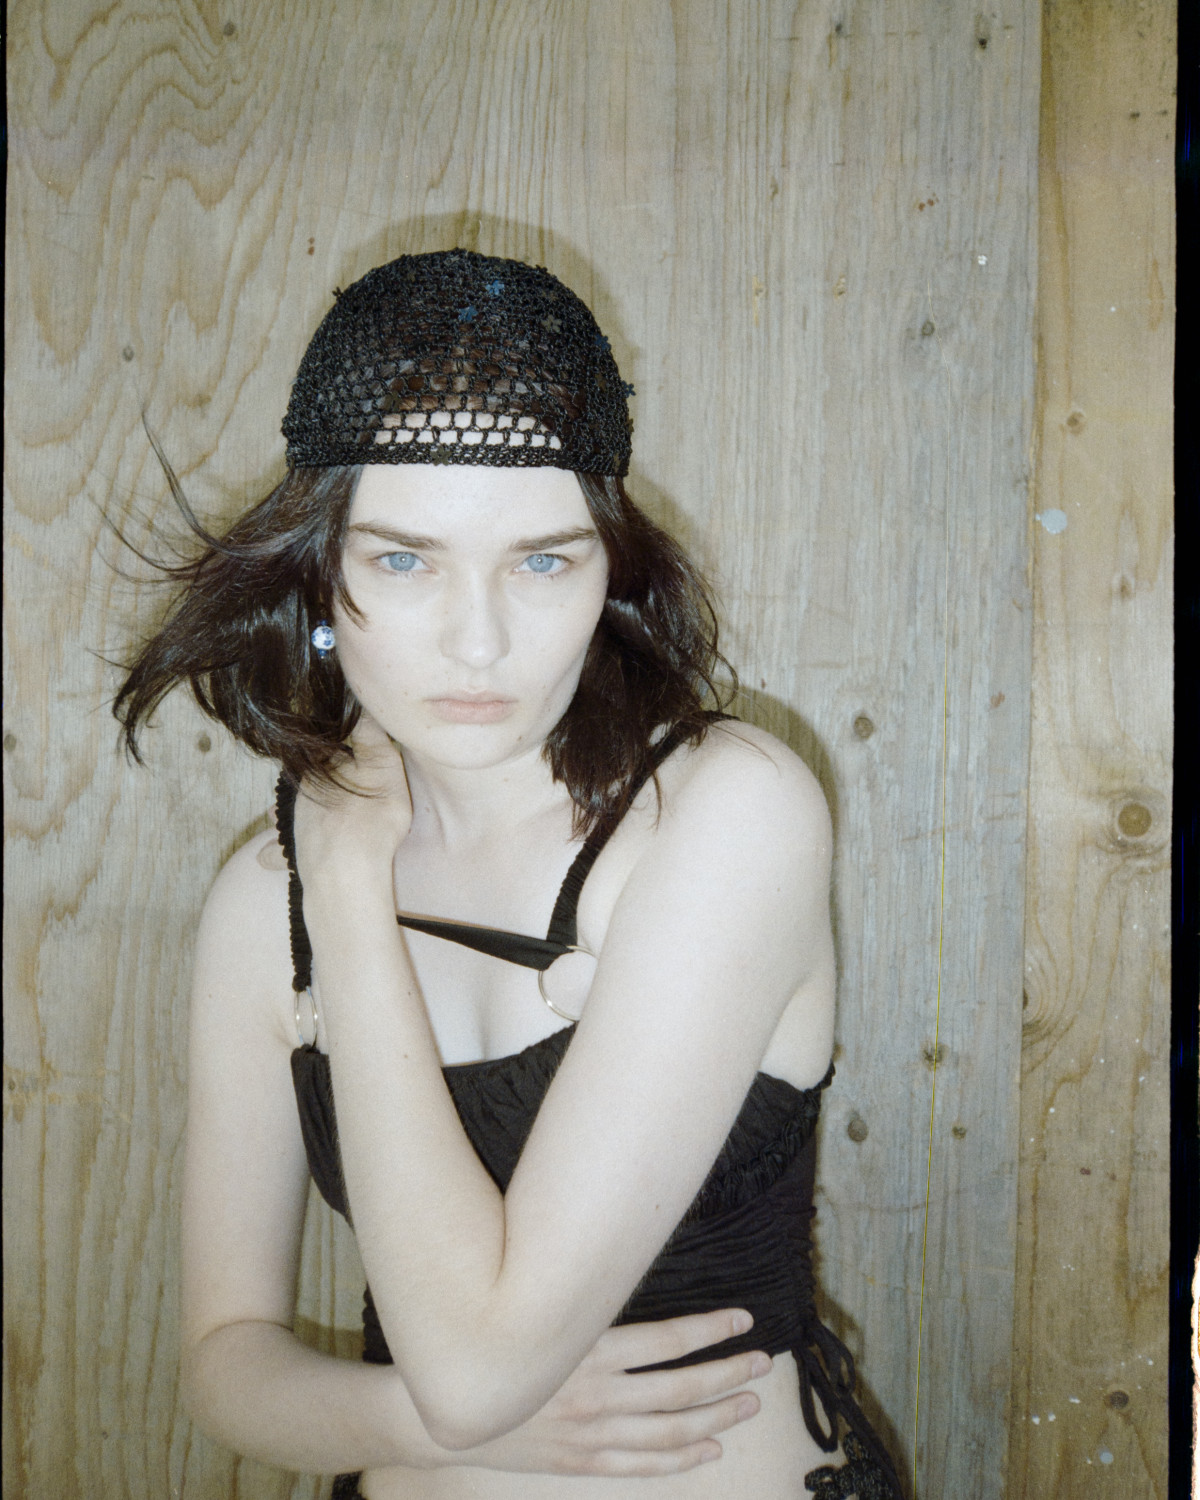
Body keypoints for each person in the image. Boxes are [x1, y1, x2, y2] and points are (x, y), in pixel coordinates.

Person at [115, 250, 901, 1499]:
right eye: (404, 561)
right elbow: (225, 1363)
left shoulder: (724, 813)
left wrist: (343, 882)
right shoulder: (257, 906)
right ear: (318, 573)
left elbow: (479, 1372)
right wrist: (432, 1428)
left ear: (611, 574)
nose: (477, 640)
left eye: (543, 561)